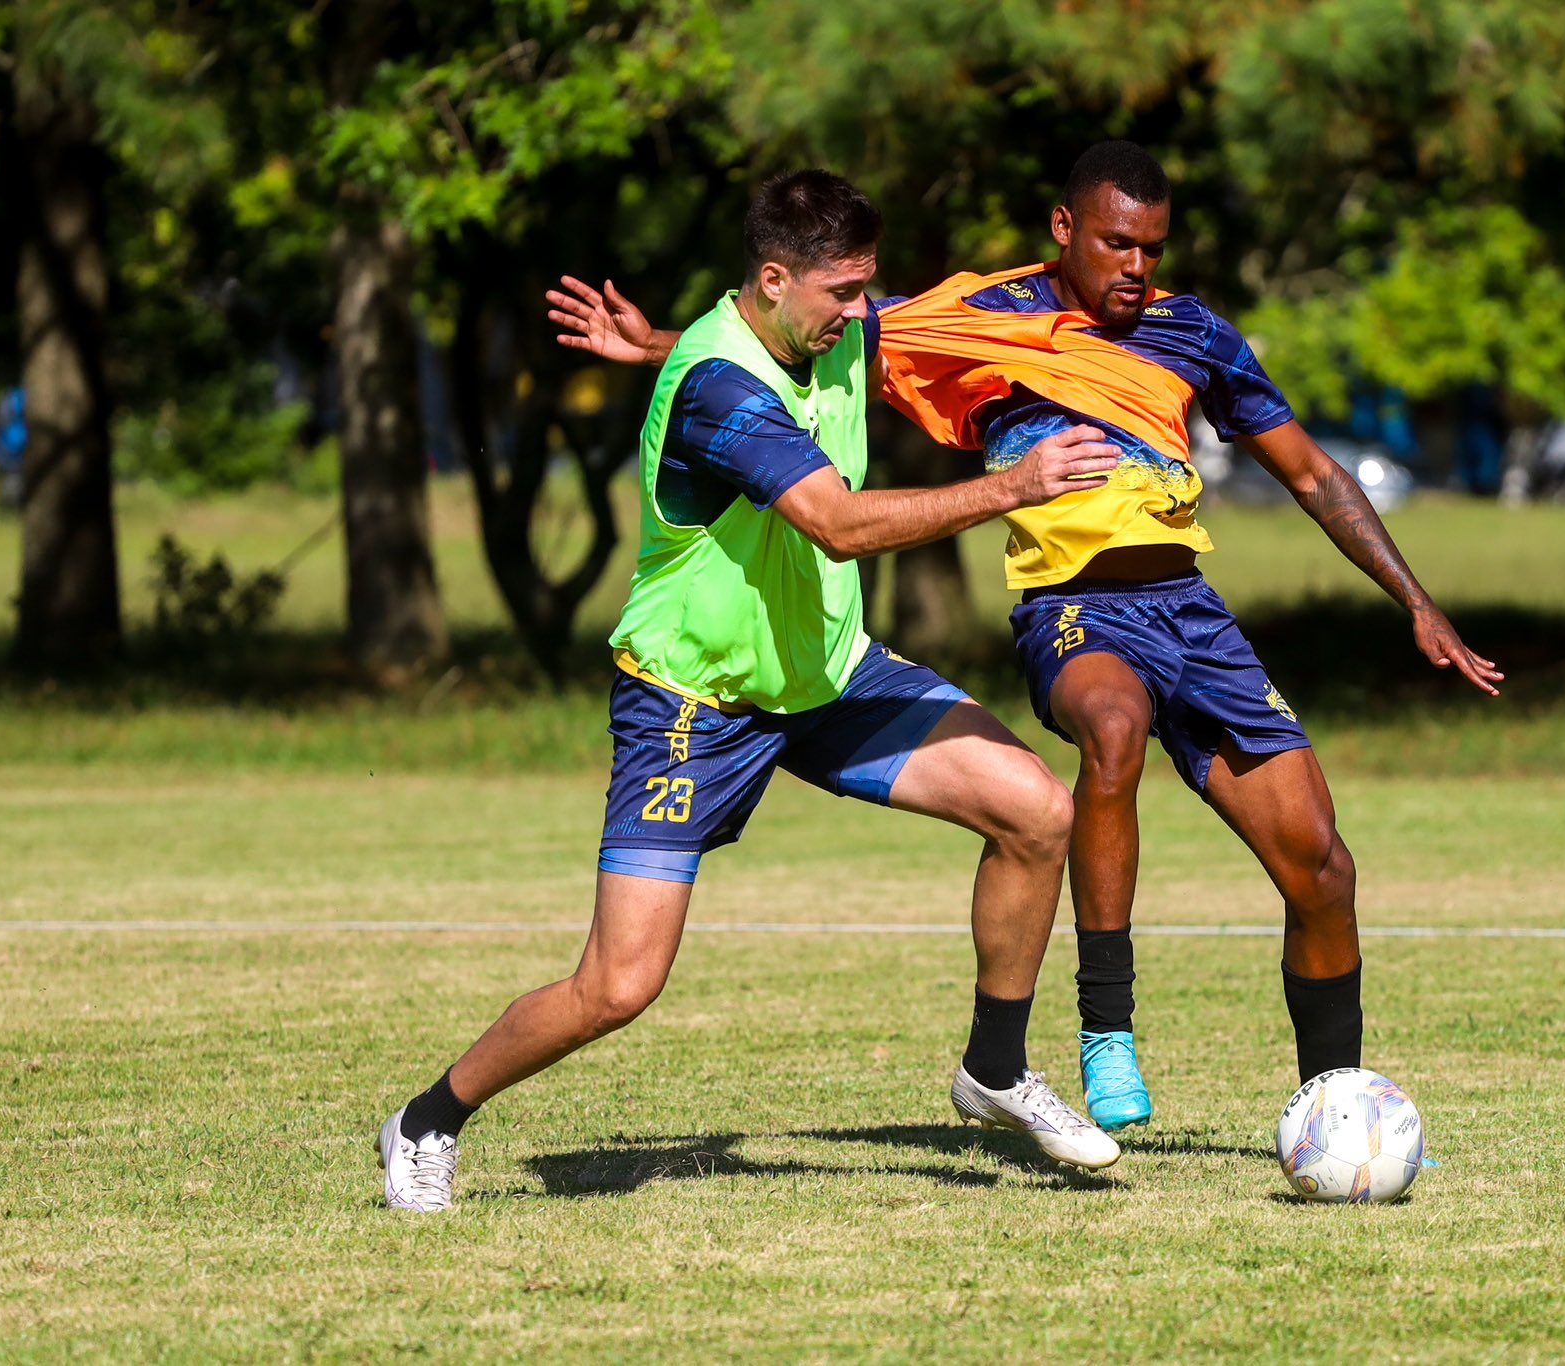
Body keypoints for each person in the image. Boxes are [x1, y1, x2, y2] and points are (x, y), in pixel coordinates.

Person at [551, 142, 1501, 1138]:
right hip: (1072, 609)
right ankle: (1105, 1028)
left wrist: (1414, 600)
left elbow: (1310, 474)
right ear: (1064, 229)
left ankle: (1334, 1109)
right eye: (1115, 243)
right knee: (1112, 726)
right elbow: (808, 330)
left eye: (1151, 247)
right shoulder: (980, 314)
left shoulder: (1196, 334)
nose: (1135, 265)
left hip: (1189, 610)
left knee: (1321, 867)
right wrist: (658, 342)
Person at [379, 170, 1125, 1214]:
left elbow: (781, 345)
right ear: (774, 278)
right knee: (617, 986)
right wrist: (1014, 485)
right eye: (841, 293)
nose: (862, 315)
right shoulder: (719, 390)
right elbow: (838, 522)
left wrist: (651, 346)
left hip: (822, 671)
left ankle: (993, 1071)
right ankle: (426, 1119)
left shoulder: (819, 325)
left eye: (865, 289)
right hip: (696, 699)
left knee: (1035, 811)